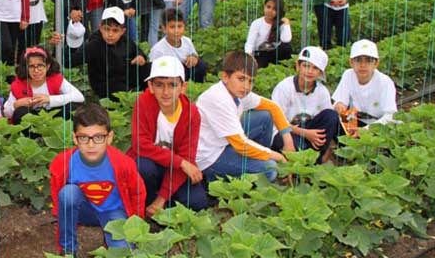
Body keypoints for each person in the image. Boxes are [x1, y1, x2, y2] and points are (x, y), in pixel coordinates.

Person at [49, 103, 145, 257]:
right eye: (84, 137)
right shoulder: (63, 163)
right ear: (75, 138)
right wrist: (62, 216)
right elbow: (57, 195)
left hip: (113, 212)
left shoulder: (123, 163)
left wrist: (135, 225)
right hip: (84, 211)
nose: (91, 145)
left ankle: (117, 242)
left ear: (110, 137)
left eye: (98, 137)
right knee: (68, 194)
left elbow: (138, 193)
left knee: (122, 253)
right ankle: (68, 250)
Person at [196, 51, 295, 182]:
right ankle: (213, 179)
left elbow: (273, 107)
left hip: (226, 144)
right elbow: (241, 145)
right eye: (241, 79)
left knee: (265, 117)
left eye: (251, 81)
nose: (246, 86)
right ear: (225, 77)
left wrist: (288, 141)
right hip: (210, 158)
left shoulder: (237, 92)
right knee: (270, 169)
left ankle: (256, 160)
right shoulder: (219, 99)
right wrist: (278, 157)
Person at [128, 56, 208, 214]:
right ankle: (147, 201)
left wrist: (162, 198)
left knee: (198, 202)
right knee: (143, 166)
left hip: (175, 170)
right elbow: (141, 145)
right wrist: (181, 163)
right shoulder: (143, 103)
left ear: (183, 87)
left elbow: (187, 156)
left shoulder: (191, 113)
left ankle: (160, 201)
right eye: (159, 85)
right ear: (150, 86)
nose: (165, 92)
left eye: (172, 85)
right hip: (152, 164)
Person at [52, 7, 150, 100]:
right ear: (100, 27)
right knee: (120, 89)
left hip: (123, 75)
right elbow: (69, 61)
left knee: (149, 69)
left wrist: (140, 56)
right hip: (104, 83)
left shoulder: (125, 40)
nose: (110, 34)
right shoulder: (94, 44)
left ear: (122, 31)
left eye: (115, 30)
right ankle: (133, 104)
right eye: (107, 29)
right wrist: (59, 46)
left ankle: (149, 99)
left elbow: (137, 51)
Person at [271, 46, 339, 164]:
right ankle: (313, 158)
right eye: (306, 66)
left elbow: (327, 124)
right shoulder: (284, 88)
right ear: (298, 66)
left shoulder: (322, 91)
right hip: (285, 132)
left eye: (315, 68)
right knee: (295, 146)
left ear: (320, 73)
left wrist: (312, 135)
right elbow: (278, 121)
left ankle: (313, 155)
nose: (310, 71)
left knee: (331, 115)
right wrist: (306, 134)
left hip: (309, 132)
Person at [4, 46, 85, 124]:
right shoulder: (18, 85)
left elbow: (79, 97)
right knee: (20, 112)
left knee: (73, 108)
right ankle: (33, 137)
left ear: (48, 66)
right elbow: (6, 113)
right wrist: (16, 105)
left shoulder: (55, 79)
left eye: (40, 66)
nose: (36, 70)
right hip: (33, 121)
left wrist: (49, 99)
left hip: (54, 117)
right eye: (31, 66)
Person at [332, 40, 397, 135]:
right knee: (331, 118)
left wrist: (366, 130)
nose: (363, 65)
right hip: (355, 121)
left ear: (376, 63)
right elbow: (341, 101)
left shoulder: (385, 82)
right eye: (358, 60)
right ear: (351, 62)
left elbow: (390, 115)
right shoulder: (348, 75)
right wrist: (340, 105)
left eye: (369, 60)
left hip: (378, 125)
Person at [149, 8, 207, 83]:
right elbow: (154, 71)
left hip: (184, 73)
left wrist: (193, 58)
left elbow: (194, 55)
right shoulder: (158, 49)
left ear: (184, 27)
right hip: (168, 77)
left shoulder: (187, 41)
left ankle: (198, 87)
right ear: (164, 29)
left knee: (200, 65)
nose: (176, 31)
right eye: (172, 27)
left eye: (179, 27)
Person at [244, 0, 293, 69]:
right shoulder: (257, 23)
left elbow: (286, 40)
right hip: (260, 54)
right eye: (268, 7)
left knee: (287, 47)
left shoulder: (280, 23)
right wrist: (250, 57)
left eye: (274, 9)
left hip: (274, 53)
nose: (270, 11)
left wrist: (286, 23)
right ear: (264, 6)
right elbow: (250, 43)